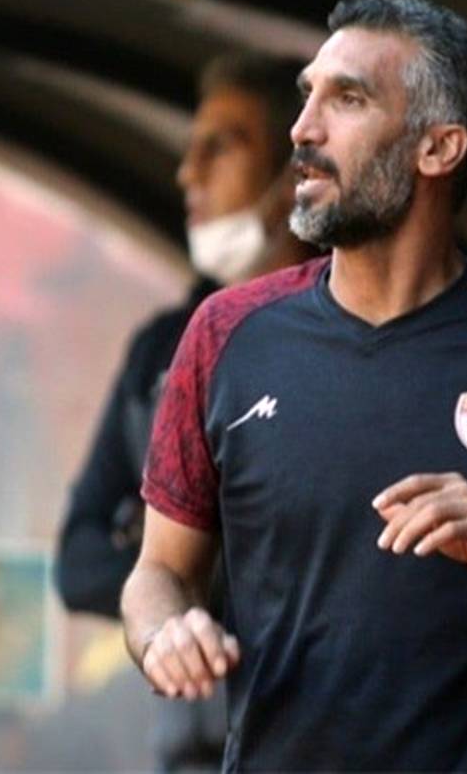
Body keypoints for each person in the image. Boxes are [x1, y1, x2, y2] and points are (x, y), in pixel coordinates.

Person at [121, 0, 467, 772]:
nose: (303, 128)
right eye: (308, 94)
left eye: (347, 99)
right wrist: (163, 633)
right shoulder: (223, 334)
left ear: (438, 148)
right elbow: (159, 572)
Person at [55, 52, 313, 770]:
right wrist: (178, 581)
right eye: (190, 148)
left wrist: (182, 555)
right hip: (194, 751)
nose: (187, 173)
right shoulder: (163, 351)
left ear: (297, 171)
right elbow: (78, 561)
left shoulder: (355, 336)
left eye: (221, 147)